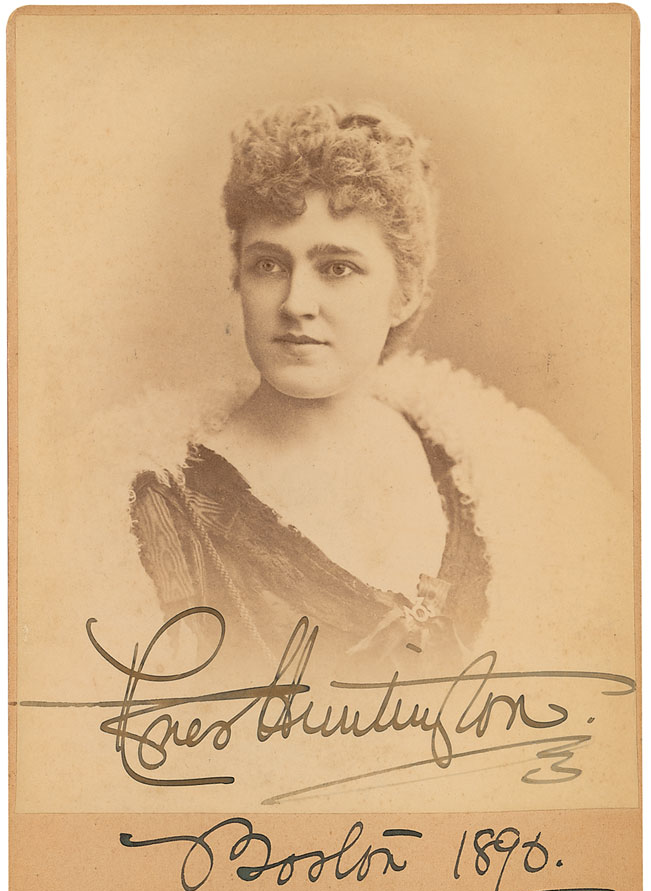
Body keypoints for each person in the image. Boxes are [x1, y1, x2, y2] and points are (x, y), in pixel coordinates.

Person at [128, 101, 628, 684]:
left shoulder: (480, 472)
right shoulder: (169, 501)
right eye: (269, 265)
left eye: (337, 268)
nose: (296, 303)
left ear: (405, 292)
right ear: (238, 275)